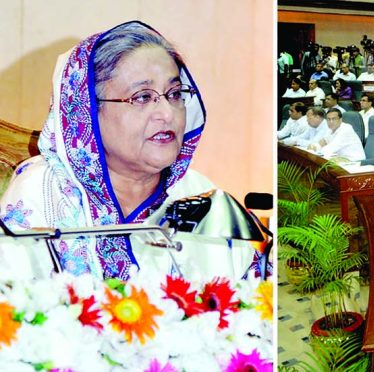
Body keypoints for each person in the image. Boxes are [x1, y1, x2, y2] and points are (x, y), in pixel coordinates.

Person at [0, 21, 256, 279]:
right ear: (87, 109)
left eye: (175, 93)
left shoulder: (201, 195)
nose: (167, 114)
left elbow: (253, 301)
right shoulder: (43, 193)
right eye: (142, 97)